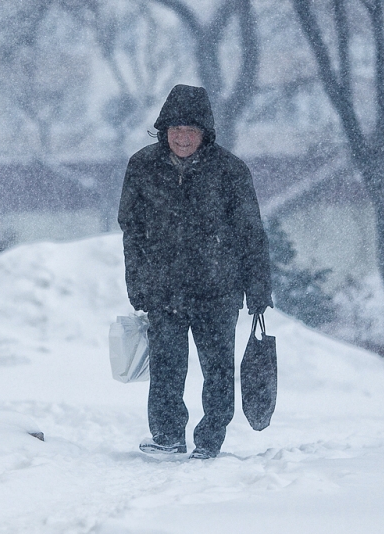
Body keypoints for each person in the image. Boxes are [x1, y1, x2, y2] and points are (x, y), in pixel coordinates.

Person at [117, 84, 273, 460]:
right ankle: (168, 434)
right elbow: (131, 229)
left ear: (205, 133)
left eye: (190, 131)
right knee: (167, 369)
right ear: (163, 130)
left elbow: (250, 232)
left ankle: (210, 439)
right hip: (163, 289)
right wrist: (137, 281)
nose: (182, 138)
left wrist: (258, 288)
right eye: (175, 130)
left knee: (218, 370)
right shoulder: (142, 167)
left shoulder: (230, 171)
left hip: (218, 290)